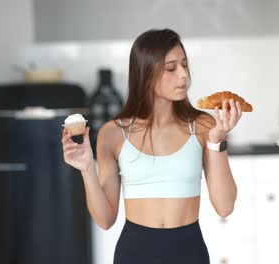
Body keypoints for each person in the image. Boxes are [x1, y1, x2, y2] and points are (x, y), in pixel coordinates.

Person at [62, 28, 242, 264]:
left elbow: (225, 207)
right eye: (171, 68)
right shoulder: (113, 133)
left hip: (189, 252)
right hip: (134, 253)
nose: (183, 75)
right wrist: (87, 169)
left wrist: (217, 140)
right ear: (146, 73)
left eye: (184, 65)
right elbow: (105, 219)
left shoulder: (203, 126)